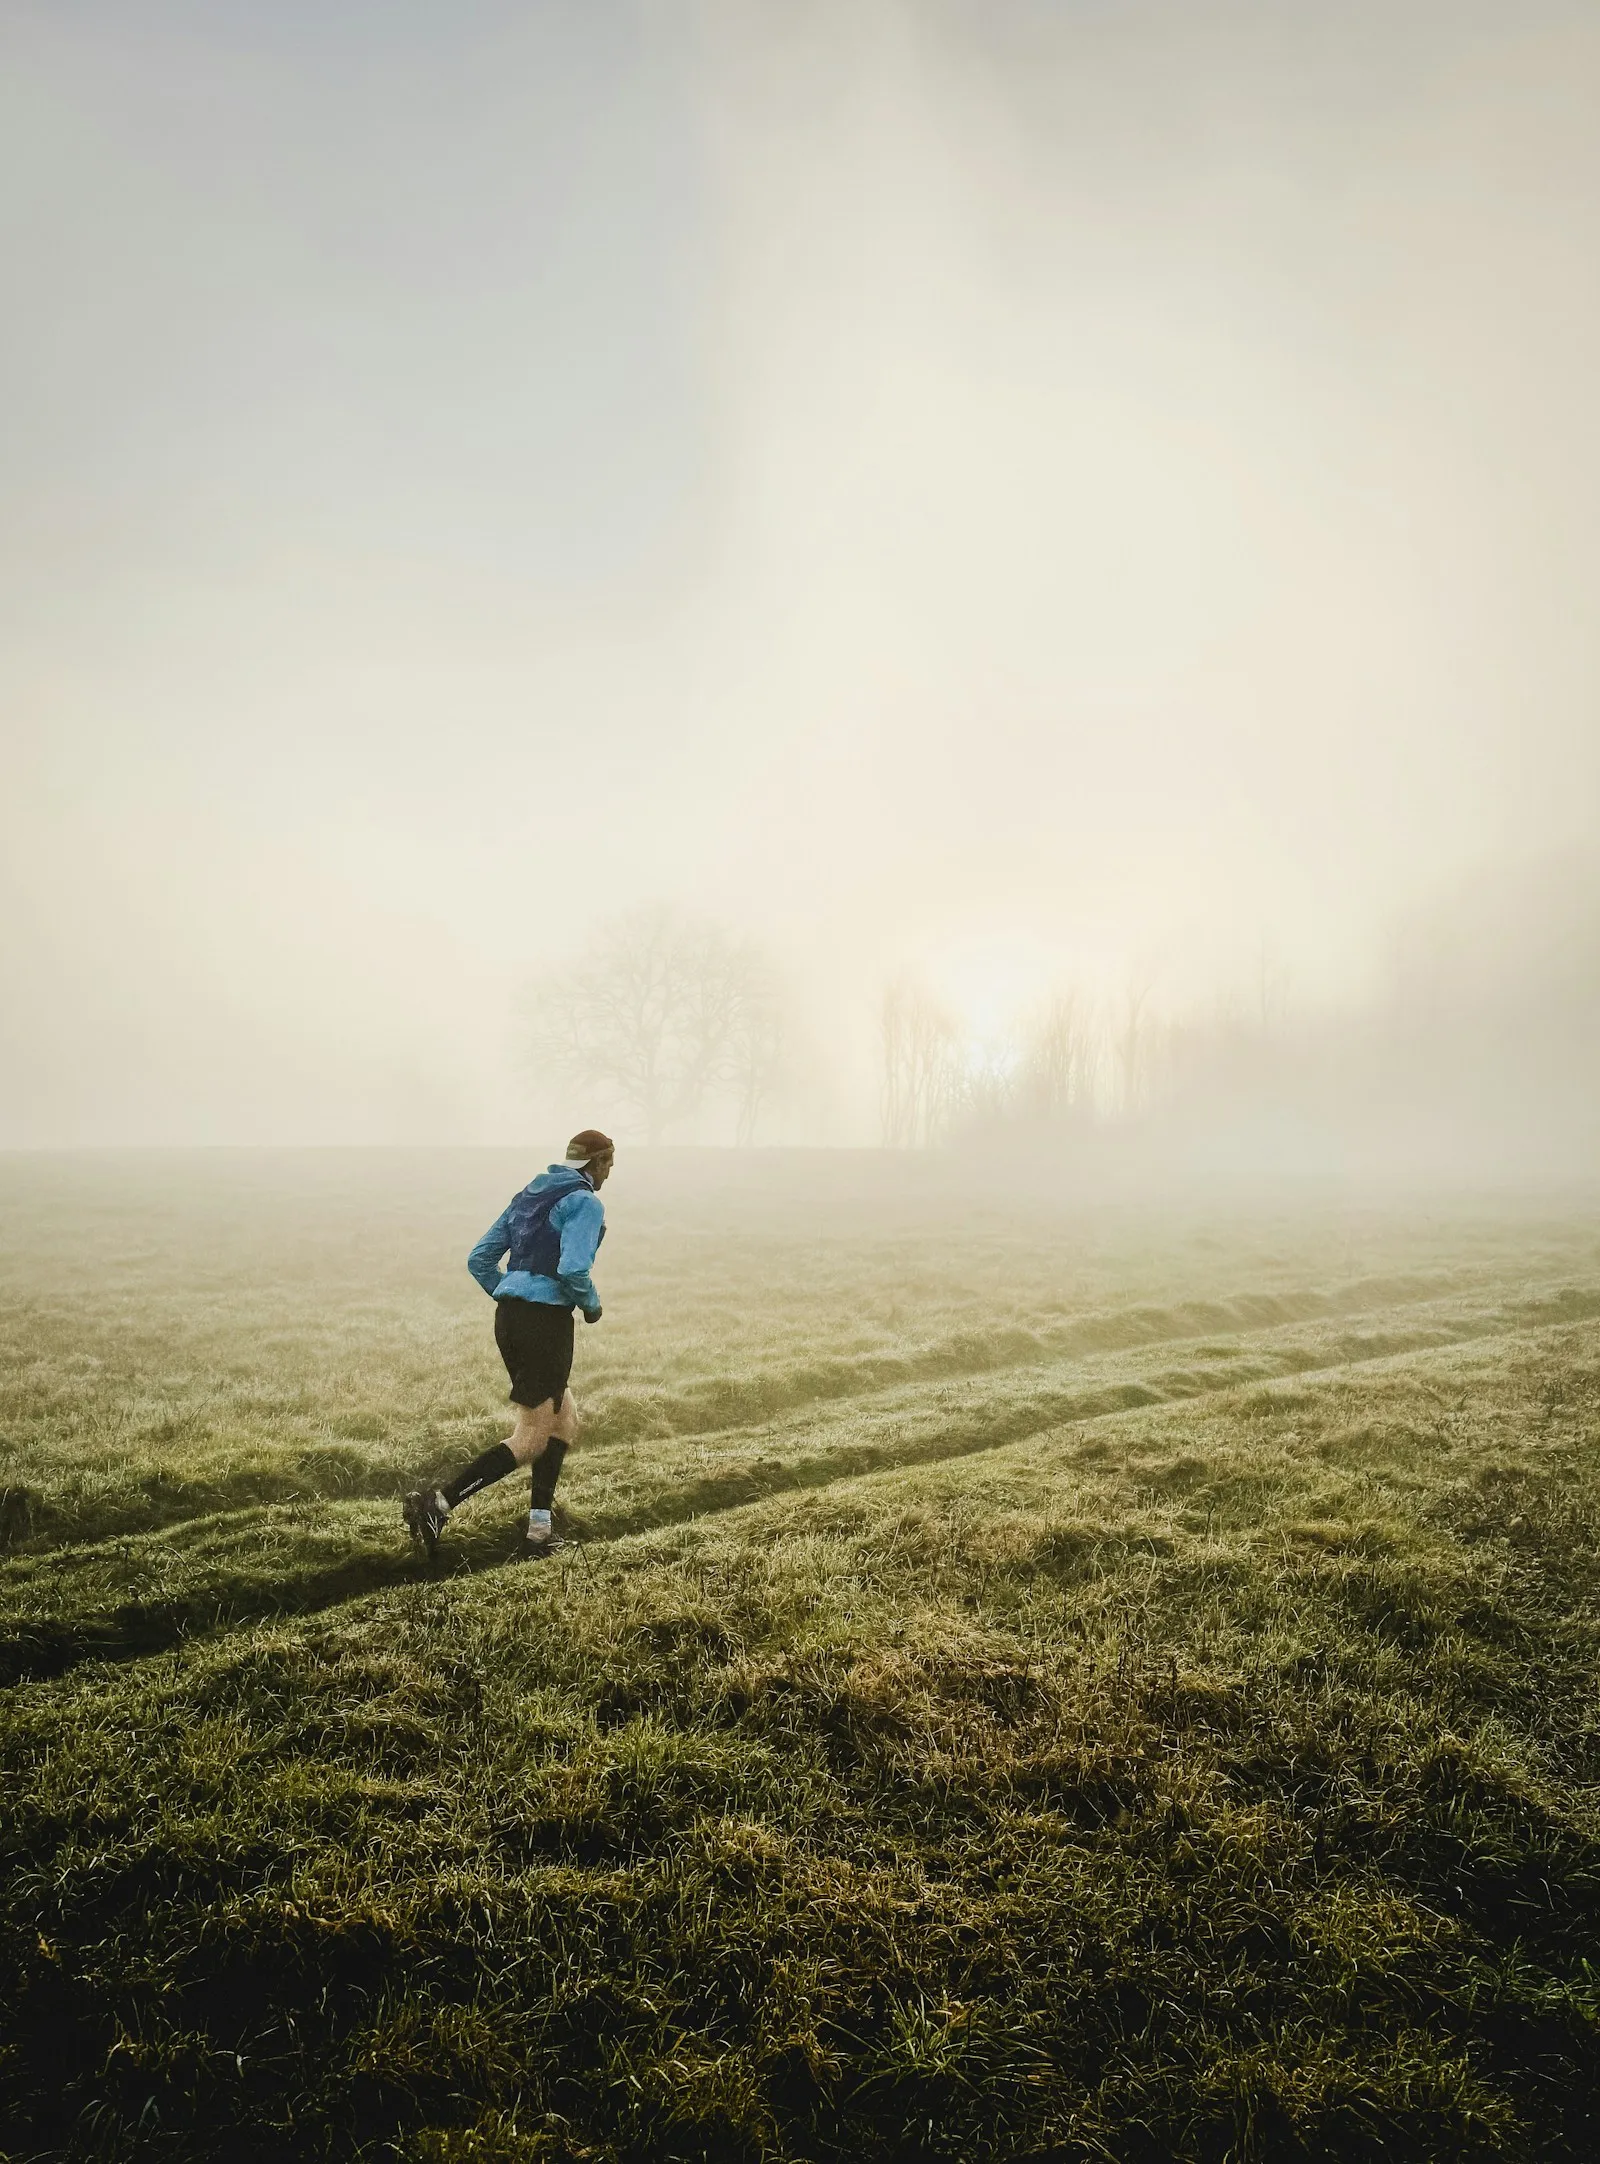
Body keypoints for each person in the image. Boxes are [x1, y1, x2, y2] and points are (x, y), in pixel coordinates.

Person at [403, 1129, 613, 1560]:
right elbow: (574, 1269)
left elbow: (479, 1258)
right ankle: (438, 1504)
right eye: (609, 1164)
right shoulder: (585, 1202)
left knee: (564, 1419)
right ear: (596, 1163)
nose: (610, 1173)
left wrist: (514, 1292)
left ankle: (539, 1532)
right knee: (534, 1434)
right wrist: (591, 1305)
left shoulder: (530, 1196)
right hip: (545, 1324)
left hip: (511, 1318)